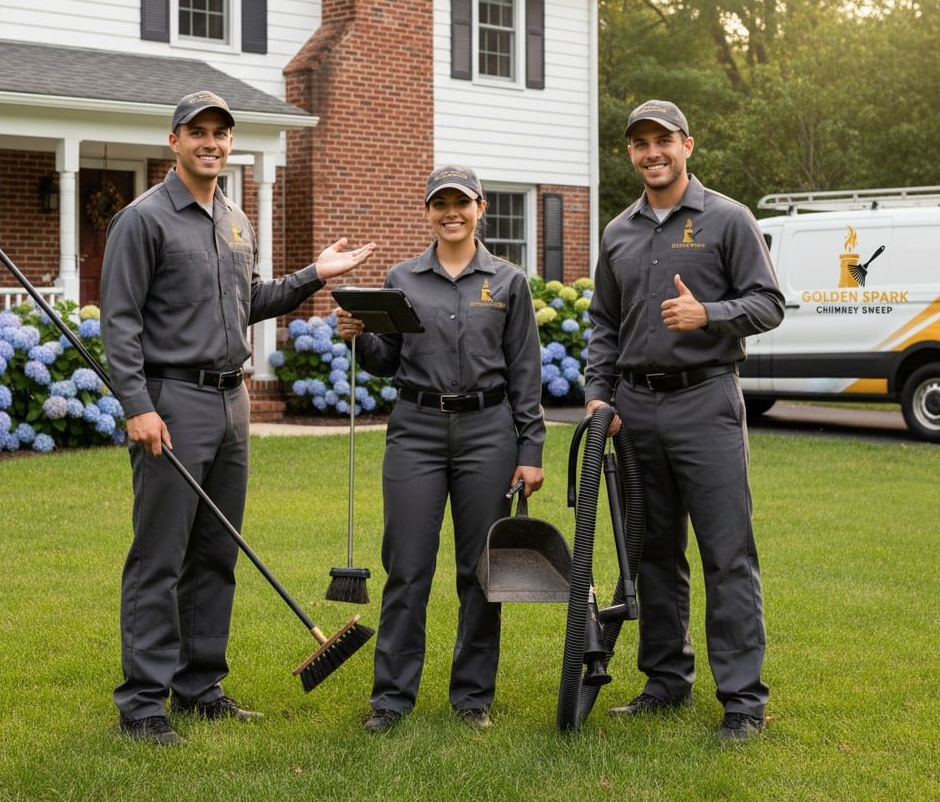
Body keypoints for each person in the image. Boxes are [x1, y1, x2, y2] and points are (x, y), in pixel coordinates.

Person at [100, 90, 375, 746]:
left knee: (216, 552)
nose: (211, 142)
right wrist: (138, 406)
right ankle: (142, 704)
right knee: (160, 556)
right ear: (174, 141)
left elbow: (250, 300)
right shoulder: (143, 220)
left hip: (232, 402)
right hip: (172, 402)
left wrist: (315, 274)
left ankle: (200, 687)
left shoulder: (235, 219)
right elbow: (120, 322)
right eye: (197, 131)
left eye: (220, 133)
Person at [583, 100, 784, 743]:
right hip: (635, 409)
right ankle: (666, 682)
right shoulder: (617, 232)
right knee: (653, 553)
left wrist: (709, 315)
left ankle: (743, 702)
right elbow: (603, 324)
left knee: (727, 553)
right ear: (630, 153)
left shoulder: (728, 218)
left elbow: (769, 304)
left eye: (663, 141)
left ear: (686, 146)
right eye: (640, 143)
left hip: (706, 402)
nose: (652, 153)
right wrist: (597, 394)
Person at [335, 164, 545, 733]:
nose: (451, 213)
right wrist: (360, 337)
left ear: (480, 208)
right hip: (416, 432)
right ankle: (391, 699)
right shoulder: (403, 278)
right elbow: (387, 361)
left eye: (461, 203)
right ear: (428, 211)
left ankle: (472, 696)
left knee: (481, 570)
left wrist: (531, 450)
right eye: (440, 204)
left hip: (488, 433)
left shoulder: (508, 282)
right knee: (406, 567)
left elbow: (526, 372)